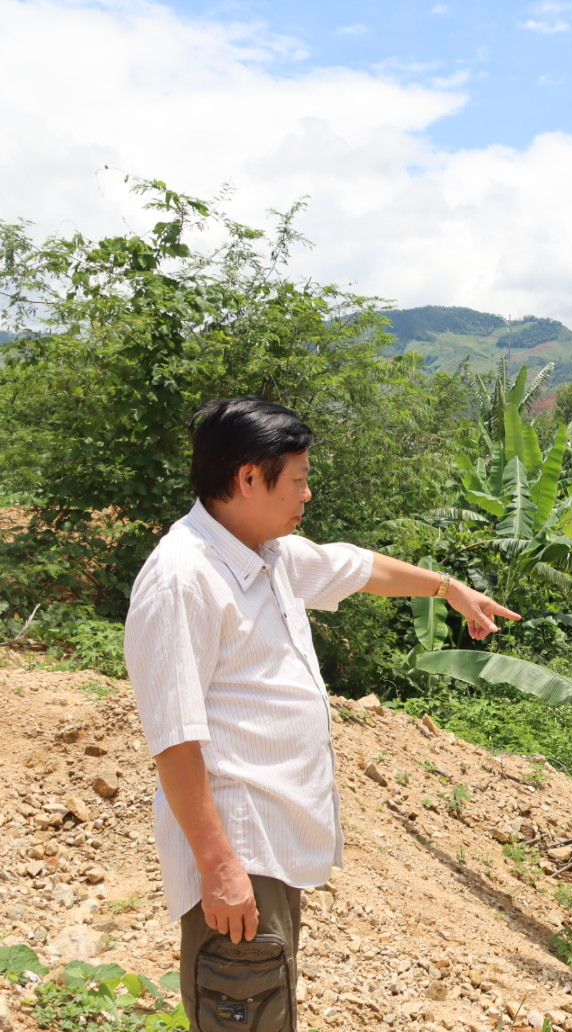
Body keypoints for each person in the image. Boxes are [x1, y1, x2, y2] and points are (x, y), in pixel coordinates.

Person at [123, 397, 518, 1032]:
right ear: (249, 477)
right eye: (299, 479)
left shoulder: (267, 554)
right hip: (240, 845)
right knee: (244, 1012)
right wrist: (220, 867)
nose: (308, 494)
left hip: (271, 845)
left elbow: (359, 567)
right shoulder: (184, 578)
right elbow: (175, 742)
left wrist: (450, 588)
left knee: (267, 1003)